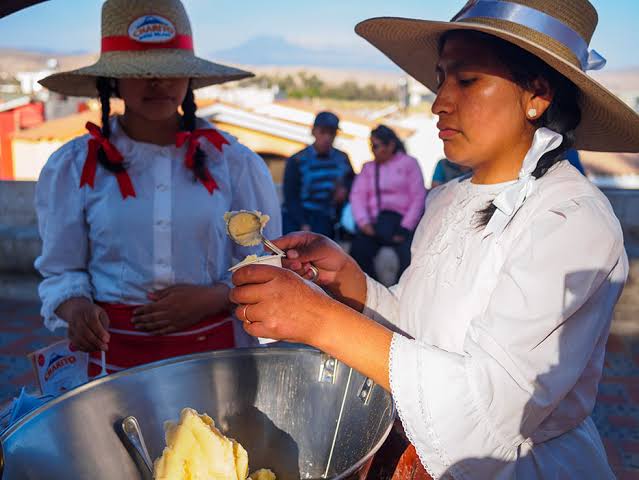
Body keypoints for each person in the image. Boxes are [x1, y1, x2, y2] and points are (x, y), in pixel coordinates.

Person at [228, 0, 639, 478]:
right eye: (441, 78)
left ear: (537, 95)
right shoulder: (449, 199)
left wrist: (319, 320)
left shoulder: (572, 219)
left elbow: (490, 413)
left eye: (466, 81)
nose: (439, 101)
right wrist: (352, 287)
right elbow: (423, 330)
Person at [34, 0, 280, 376]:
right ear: (111, 80)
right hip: (111, 364)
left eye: (172, 70)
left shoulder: (233, 162)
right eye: (141, 71)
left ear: (191, 78)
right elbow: (62, 271)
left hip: (214, 362)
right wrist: (77, 309)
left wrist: (215, 298)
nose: (159, 82)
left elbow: (263, 264)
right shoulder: (73, 166)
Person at [349, 125, 426, 282]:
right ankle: (371, 293)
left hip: (402, 224)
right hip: (375, 223)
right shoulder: (368, 168)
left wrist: (405, 228)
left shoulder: (409, 164)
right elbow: (357, 197)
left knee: (411, 259)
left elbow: (418, 197)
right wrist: (364, 223)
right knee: (357, 254)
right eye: (371, 146)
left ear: (390, 145)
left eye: (376, 146)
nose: (372, 150)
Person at [282, 111, 354, 238]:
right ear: (313, 131)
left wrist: (344, 191)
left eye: (331, 133)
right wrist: (303, 223)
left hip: (327, 217)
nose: (327, 137)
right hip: (298, 216)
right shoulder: (297, 160)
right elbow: (290, 197)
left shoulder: (342, 159)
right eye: (323, 132)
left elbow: (352, 186)